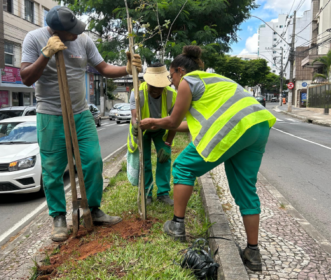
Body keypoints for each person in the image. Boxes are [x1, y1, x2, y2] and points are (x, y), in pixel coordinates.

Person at [140, 46, 276, 272]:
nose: (171, 82)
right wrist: (158, 123)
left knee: (183, 167)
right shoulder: (212, 79)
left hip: (235, 127)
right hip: (257, 124)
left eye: (171, 76)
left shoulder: (188, 81)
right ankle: (253, 252)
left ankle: (177, 226)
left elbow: (173, 122)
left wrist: (151, 122)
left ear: (180, 71)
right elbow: (185, 124)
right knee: (245, 189)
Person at [20, 6, 142, 242]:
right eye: (71, 31)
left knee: (93, 161)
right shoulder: (34, 39)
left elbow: (104, 68)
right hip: (51, 114)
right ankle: (58, 217)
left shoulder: (84, 41)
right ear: (57, 30)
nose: (77, 33)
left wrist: (127, 69)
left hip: (81, 112)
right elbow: (26, 78)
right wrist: (45, 54)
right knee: (53, 170)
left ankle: (94, 209)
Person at [128, 63, 177, 205]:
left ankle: (163, 193)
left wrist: (167, 144)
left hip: (161, 129)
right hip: (143, 129)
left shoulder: (171, 95)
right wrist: (135, 124)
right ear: (146, 82)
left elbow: (174, 122)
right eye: (153, 85)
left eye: (159, 86)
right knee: (145, 161)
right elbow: (134, 116)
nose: (156, 89)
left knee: (164, 159)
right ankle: (147, 193)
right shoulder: (137, 92)